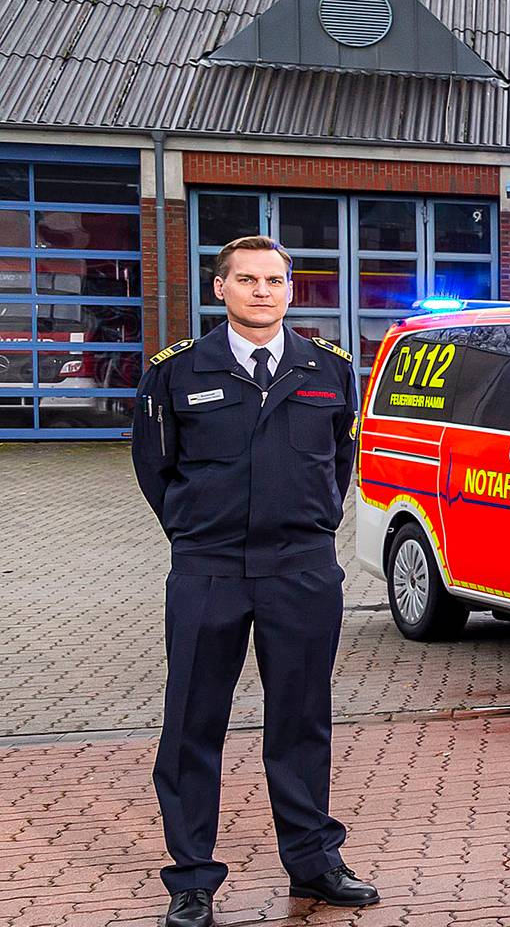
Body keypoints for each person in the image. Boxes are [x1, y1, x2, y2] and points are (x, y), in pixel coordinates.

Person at [133, 236, 377, 927]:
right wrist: (196, 531)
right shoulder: (176, 371)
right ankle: (192, 879)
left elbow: (340, 462)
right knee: (192, 723)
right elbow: (155, 467)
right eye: (246, 279)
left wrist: (311, 523)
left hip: (301, 571)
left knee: (302, 720)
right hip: (208, 570)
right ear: (220, 288)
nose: (262, 291)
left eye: (274, 280)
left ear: (291, 290)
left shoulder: (329, 369)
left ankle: (313, 861)